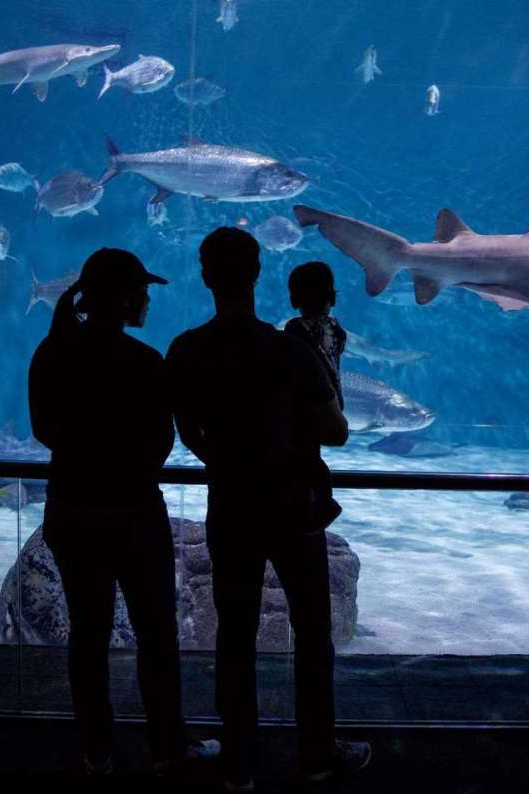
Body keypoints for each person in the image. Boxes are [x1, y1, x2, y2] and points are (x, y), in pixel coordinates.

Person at [166, 228, 371, 792]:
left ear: (206, 276)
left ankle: (239, 764)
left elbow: (188, 432)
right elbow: (337, 433)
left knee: (234, 634)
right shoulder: (290, 350)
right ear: (259, 275)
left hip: (231, 506)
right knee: (312, 633)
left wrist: (230, 463)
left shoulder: (186, 351)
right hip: (292, 508)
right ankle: (316, 755)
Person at [27, 247, 218, 778]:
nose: (149, 302)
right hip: (134, 514)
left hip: (71, 509)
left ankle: (96, 751)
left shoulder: (51, 354)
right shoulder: (144, 363)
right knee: (156, 633)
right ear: (129, 298)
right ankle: (166, 747)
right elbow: (160, 444)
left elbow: (44, 430)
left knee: (87, 634)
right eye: (144, 292)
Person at [283, 261, 347, 532]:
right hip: (331, 397)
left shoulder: (294, 329)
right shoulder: (336, 328)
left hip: (308, 406)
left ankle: (323, 505)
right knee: (315, 462)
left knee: (310, 460)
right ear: (333, 297)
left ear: (293, 298)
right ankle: (324, 503)